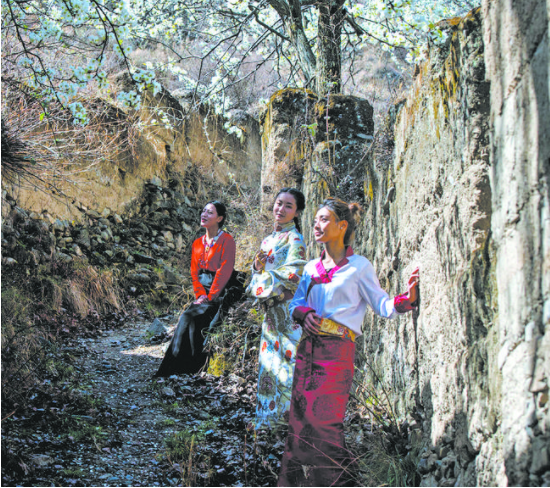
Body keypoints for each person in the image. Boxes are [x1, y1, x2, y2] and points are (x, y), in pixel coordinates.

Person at [278, 198, 420, 487]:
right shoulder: (310, 268)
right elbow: (297, 301)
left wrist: (407, 300)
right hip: (308, 351)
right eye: (315, 220)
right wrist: (303, 313)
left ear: (342, 226)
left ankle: (341, 483)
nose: (317, 225)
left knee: (325, 424)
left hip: (338, 353)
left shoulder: (358, 267)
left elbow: (381, 304)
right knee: (300, 424)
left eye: (324, 219)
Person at [155, 201, 243, 377]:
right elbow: (194, 273)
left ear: (219, 218)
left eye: (210, 212)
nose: (204, 214)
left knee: (196, 319)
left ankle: (193, 367)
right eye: (203, 211)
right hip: (203, 290)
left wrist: (210, 296)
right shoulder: (197, 243)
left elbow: (225, 271)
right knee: (187, 317)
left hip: (221, 288)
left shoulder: (227, 240)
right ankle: (174, 368)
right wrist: (200, 294)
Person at [247, 187, 308, 433]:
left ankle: (284, 423)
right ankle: (265, 420)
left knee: (287, 364)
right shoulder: (267, 240)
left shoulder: (295, 240)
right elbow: (257, 276)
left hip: (287, 311)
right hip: (270, 312)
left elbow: (295, 272)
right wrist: (257, 267)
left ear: (297, 212)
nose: (280, 210)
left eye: (288, 206)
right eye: (278, 203)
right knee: (268, 364)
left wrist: (265, 282)